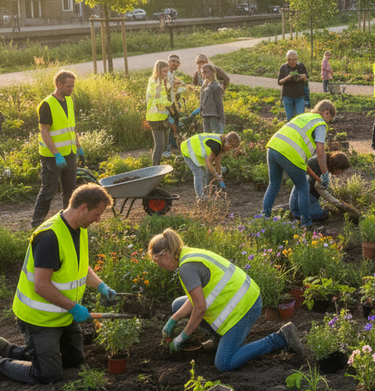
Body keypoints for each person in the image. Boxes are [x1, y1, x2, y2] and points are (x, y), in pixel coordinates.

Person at [0, 184, 115, 384]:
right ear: (83, 207)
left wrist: (101, 286)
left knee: (74, 361)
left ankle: (6, 348)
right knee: (48, 374)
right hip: (39, 319)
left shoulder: (80, 227)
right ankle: (1, 363)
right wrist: (74, 307)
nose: (98, 219)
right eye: (97, 214)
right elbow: (41, 286)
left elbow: (79, 268)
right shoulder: (50, 237)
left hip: (63, 314)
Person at [148, 229, 304, 371]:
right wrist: (173, 320)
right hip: (238, 297)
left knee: (224, 363)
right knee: (177, 305)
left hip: (245, 306)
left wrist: (182, 336)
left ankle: (280, 338)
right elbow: (196, 299)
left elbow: (200, 308)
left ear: (165, 255)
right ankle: (219, 339)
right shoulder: (187, 254)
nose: (158, 265)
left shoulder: (186, 268)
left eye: (156, 261)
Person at [262, 100, 336, 228]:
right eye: (329, 119)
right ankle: (306, 222)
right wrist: (325, 174)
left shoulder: (304, 117)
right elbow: (320, 152)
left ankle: (263, 217)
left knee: (273, 185)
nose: (327, 123)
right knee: (303, 187)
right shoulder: (320, 123)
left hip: (273, 146)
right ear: (326, 112)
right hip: (290, 153)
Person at [31, 70, 85, 229]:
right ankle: (36, 224)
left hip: (69, 153)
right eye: (69, 86)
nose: (71, 89)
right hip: (52, 156)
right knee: (49, 190)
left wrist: (78, 146)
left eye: (73, 86)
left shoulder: (69, 101)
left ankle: (68, 222)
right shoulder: (47, 104)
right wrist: (56, 154)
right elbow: (44, 132)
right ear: (58, 84)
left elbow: (70, 127)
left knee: (70, 190)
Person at [289, 151, 351, 221]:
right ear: (335, 167)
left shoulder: (324, 160)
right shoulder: (322, 168)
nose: (340, 173)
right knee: (322, 215)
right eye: (341, 171)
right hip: (300, 197)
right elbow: (320, 189)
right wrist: (337, 204)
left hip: (302, 193)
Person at [181, 131, 241, 201]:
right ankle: (200, 196)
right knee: (199, 173)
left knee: (205, 171)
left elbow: (217, 163)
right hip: (187, 149)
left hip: (196, 153)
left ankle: (204, 193)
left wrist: (220, 175)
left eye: (233, 147)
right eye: (231, 146)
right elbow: (208, 161)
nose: (230, 148)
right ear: (227, 141)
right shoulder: (216, 145)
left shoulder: (221, 144)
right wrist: (215, 175)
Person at [146, 60, 173, 166]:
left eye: (167, 71)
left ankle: (157, 166)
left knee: (164, 144)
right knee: (159, 146)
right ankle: (155, 169)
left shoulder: (162, 81)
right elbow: (156, 99)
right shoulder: (155, 83)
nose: (166, 73)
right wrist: (169, 103)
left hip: (162, 116)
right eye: (164, 71)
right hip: (155, 117)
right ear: (158, 71)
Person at [277, 50, 309, 120]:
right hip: (287, 97)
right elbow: (279, 82)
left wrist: (304, 77)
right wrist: (286, 78)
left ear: (297, 59)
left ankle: (300, 131)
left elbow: (306, 80)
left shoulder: (301, 66)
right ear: (286, 59)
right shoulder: (283, 67)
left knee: (300, 118)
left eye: (294, 60)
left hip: (299, 96)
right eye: (289, 60)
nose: (291, 62)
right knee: (290, 119)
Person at [163, 53, 183, 158]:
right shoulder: (165, 73)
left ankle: (173, 145)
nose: (175, 63)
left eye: (177, 62)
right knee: (168, 125)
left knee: (175, 123)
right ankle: (166, 148)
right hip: (166, 103)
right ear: (168, 62)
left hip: (172, 103)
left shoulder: (173, 75)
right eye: (172, 61)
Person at [200, 63, 225, 133]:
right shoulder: (204, 85)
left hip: (214, 115)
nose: (205, 74)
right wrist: (200, 110)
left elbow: (219, 103)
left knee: (214, 135)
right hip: (205, 114)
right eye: (203, 73)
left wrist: (222, 119)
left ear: (212, 72)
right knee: (206, 136)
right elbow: (201, 100)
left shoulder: (216, 86)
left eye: (207, 72)